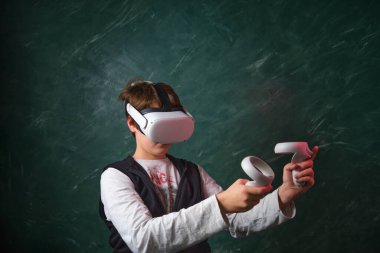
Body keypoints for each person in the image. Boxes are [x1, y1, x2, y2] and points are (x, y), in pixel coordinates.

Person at [99, 80, 318, 253]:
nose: (165, 137)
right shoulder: (115, 177)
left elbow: (238, 220)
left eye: (172, 126)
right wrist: (221, 203)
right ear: (132, 123)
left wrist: (285, 193)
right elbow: (144, 241)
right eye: (159, 127)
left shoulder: (193, 172)